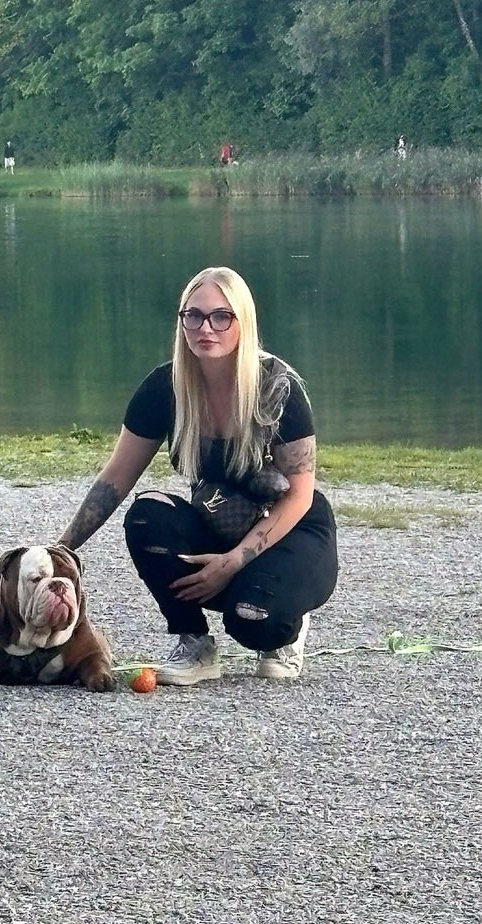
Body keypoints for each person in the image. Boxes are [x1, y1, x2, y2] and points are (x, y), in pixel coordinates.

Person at [58, 266, 338, 685]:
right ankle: (194, 645)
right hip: (218, 520)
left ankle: (284, 628)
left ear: (243, 321)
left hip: (291, 530)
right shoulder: (164, 387)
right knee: (146, 516)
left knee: (253, 622)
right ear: (182, 321)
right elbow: (115, 479)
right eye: (194, 315)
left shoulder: (279, 388)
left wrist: (233, 562)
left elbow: (299, 495)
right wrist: (60, 550)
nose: (206, 328)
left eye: (221, 316)